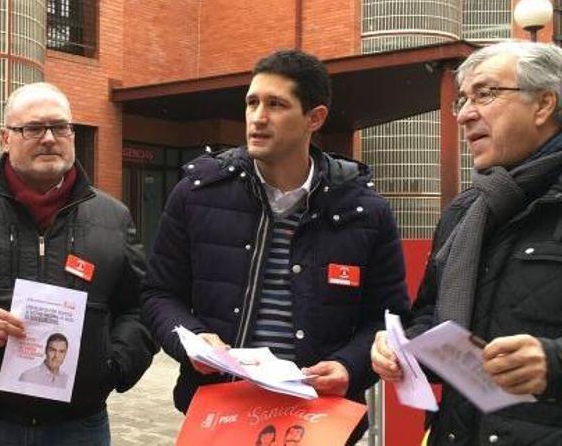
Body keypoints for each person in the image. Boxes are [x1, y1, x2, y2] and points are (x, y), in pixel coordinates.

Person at [141, 49, 410, 441]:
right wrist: (193, 339)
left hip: (319, 418)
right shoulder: (197, 194)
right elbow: (158, 294)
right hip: (221, 413)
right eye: (252, 102)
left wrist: (350, 367)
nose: (258, 117)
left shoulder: (363, 210)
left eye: (276, 104)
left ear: (314, 119)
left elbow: (386, 320)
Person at [0, 82, 156, 445]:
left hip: (79, 425)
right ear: (6, 138)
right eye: (33, 128)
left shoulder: (112, 217)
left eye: (60, 127)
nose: (49, 138)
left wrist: (113, 366)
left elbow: (140, 307)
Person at [371, 41, 562, 444]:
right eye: (463, 99)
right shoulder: (466, 212)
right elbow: (434, 317)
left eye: (486, 94)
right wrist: (400, 347)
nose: (465, 114)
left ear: (544, 105)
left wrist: (554, 362)